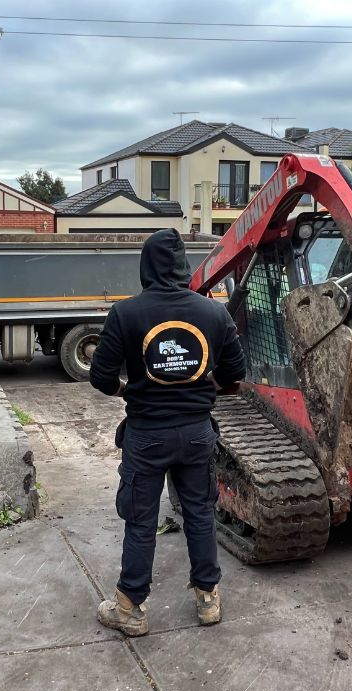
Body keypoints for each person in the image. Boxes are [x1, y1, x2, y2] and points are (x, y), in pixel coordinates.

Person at [89, 228, 246, 637]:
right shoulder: (214, 313)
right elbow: (235, 375)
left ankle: (130, 609)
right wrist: (200, 391)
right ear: (182, 267)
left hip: (147, 436)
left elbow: (101, 377)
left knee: (141, 520)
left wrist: (129, 391)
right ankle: (208, 599)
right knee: (199, 513)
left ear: (146, 266)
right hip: (197, 433)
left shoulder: (127, 313)